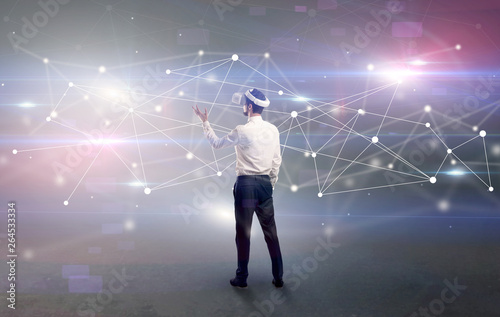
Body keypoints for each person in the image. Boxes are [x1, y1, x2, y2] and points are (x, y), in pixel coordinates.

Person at [192, 88, 284, 288]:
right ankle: (278, 277)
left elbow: (216, 144)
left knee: (244, 233)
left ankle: (241, 278)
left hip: (246, 187)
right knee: (271, 233)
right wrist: (270, 185)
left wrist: (205, 122)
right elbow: (276, 161)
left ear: (249, 107)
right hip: (265, 185)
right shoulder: (273, 130)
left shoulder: (242, 130)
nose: (243, 106)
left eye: (244, 103)